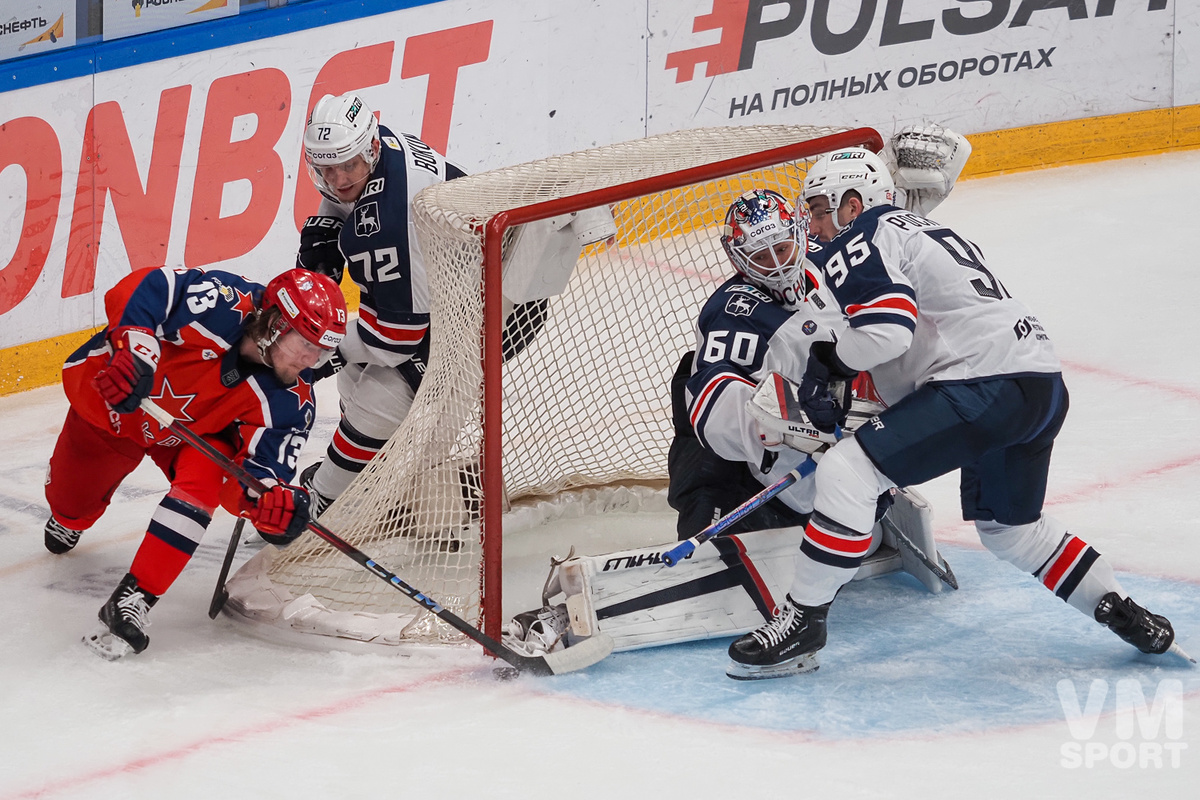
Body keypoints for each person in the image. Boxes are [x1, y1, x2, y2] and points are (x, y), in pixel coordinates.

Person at [724, 146, 1180, 680]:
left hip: (981, 387)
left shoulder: (862, 235)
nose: (818, 228)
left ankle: (802, 624)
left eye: (823, 210)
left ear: (853, 204)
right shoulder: (919, 230)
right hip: (1040, 383)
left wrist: (829, 364)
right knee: (1010, 529)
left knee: (849, 470)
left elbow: (886, 330)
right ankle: (1122, 609)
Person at [43, 266, 348, 659]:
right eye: (305, 344)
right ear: (275, 324)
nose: (312, 360)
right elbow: (148, 287)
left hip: (185, 436)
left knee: (209, 473)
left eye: (322, 351)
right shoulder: (222, 303)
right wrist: (135, 353)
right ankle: (70, 518)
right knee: (70, 510)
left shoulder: (289, 400)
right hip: (113, 408)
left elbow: (256, 477)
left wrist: (268, 506)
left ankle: (135, 596)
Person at [291, 91, 471, 516]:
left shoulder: (392, 221)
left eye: (346, 166)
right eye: (326, 169)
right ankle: (374, 478)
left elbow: (394, 340)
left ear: (368, 149)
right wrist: (330, 227)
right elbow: (345, 193)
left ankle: (328, 502)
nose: (337, 181)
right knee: (354, 374)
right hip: (454, 281)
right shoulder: (378, 146)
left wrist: (314, 355)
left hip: (492, 310)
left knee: (383, 391)